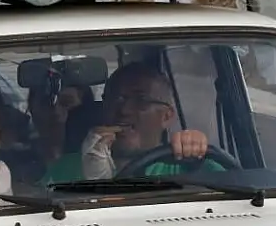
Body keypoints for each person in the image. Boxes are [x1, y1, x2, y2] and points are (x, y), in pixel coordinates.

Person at [41, 61, 226, 183]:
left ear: (167, 116)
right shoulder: (65, 170)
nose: (124, 110)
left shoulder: (191, 166)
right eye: (116, 99)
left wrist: (197, 148)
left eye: (141, 101)